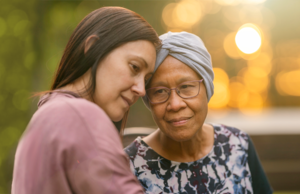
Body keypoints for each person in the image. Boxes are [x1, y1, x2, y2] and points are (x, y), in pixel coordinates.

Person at [12, 7, 161, 194]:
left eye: (146, 79)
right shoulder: (80, 116)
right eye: (134, 67)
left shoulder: (47, 116)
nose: (141, 90)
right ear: (92, 47)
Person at [125, 31, 273, 194]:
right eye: (160, 91)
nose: (175, 104)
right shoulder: (127, 167)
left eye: (186, 87)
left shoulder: (237, 145)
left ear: (207, 88)